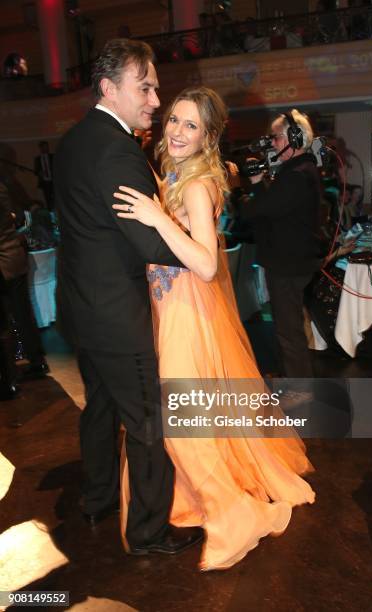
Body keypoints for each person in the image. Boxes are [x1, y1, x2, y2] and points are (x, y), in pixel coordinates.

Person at [113, 87, 315, 571]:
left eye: (191, 126)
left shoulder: (198, 184)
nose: (178, 132)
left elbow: (205, 264)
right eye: (175, 121)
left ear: (207, 137)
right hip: (167, 306)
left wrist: (157, 219)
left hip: (185, 309)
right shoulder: (175, 174)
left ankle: (227, 506)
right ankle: (191, 494)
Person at [53, 39, 202, 556]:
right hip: (117, 314)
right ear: (109, 88)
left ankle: (96, 500)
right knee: (144, 423)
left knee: (98, 409)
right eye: (146, 87)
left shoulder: (72, 142)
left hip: (80, 307)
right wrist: (198, 251)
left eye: (156, 87)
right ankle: (148, 533)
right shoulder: (117, 149)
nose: (157, 100)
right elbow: (148, 240)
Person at [242, 110, 321, 378]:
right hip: (291, 261)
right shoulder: (299, 171)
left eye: (276, 138)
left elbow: (258, 210)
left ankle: (300, 390)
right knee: (290, 328)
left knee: (289, 332)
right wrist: (259, 183)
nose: (272, 144)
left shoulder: (296, 175)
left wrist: (254, 185)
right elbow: (271, 208)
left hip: (288, 264)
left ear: (295, 138)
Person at [0, 184, 49, 400]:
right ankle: (35, 361)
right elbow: (17, 216)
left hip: (5, 264)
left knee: (7, 323)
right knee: (21, 315)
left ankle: (8, 378)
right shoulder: (3, 185)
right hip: (13, 258)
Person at [34, 141, 54, 211]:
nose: (46, 148)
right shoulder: (37, 159)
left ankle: (58, 215)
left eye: (47, 146)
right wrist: (39, 173)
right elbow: (35, 171)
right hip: (44, 182)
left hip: (53, 181)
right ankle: (53, 218)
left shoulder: (52, 156)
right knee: (48, 200)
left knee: (55, 199)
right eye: (44, 147)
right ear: (41, 148)